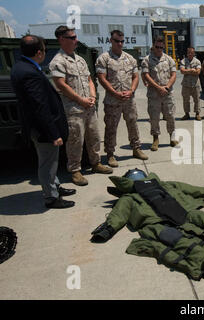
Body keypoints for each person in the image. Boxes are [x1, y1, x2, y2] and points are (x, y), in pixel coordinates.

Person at [11, 35, 75, 209]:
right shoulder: (28, 73)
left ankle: (55, 187)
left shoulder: (22, 67)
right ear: (39, 52)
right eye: (44, 51)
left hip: (38, 126)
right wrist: (53, 133)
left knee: (51, 162)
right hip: (43, 129)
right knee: (48, 163)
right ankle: (51, 198)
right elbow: (39, 107)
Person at [50, 26, 112, 187]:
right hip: (73, 109)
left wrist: (92, 96)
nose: (76, 40)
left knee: (94, 136)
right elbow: (61, 85)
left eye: (75, 37)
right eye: (72, 37)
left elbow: (90, 79)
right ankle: (75, 170)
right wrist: (80, 100)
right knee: (75, 140)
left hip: (88, 107)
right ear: (61, 39)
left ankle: (96, 163)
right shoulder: (58, 61)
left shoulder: (80, 59)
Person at [95, 30, 148, 168]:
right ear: (111, 41)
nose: (119, 43)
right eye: (116, 41)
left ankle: (136, 148)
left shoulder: (130, 58)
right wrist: (114, 93)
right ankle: (110, 153)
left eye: (122, 41)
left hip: (129, 99)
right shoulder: (104, 58)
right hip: (113, 101)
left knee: (133, 124)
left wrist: (131, 90)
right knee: (111, 127)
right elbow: (101, 78)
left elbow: (135, 77)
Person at [141, 36, 179, 152]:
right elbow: (146, 75)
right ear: (153, 46)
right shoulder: (146, 60)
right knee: (154, 118)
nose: (159, 49)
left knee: (170, 116)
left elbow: (173, 74)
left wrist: (166, 87)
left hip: (167, 94)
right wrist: (158, 88)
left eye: (161, 47)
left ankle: (172, 137)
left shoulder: (169, 59)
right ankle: (155, 139)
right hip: (154, 94)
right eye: (157, 47)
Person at [179, 47, 202, 121]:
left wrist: (187, 71)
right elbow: (182, 71)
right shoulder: (183, 61)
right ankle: (187, 114)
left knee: (197, 100)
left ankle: (197, 114)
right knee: (186, 100)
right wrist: (191, 70)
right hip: (186, 84)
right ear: (187, 53)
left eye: (192, 53)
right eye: (189, 52)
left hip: (195, 84)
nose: (190, 54)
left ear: (194, 53)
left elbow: (198, 72)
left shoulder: (197, 61)